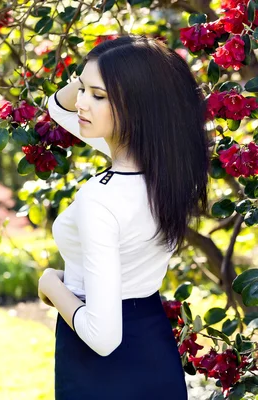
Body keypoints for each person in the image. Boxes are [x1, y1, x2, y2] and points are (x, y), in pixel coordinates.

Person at [37, 34, 211, 399]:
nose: (82, 103)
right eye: (82, 90)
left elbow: (103, 337)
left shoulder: (102, 200)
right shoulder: (174, 165)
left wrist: (52, 284)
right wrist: (103, 73)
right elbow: (57, 108)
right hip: (152, 344)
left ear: (137, 106)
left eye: (98, 96)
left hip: (100, 368)